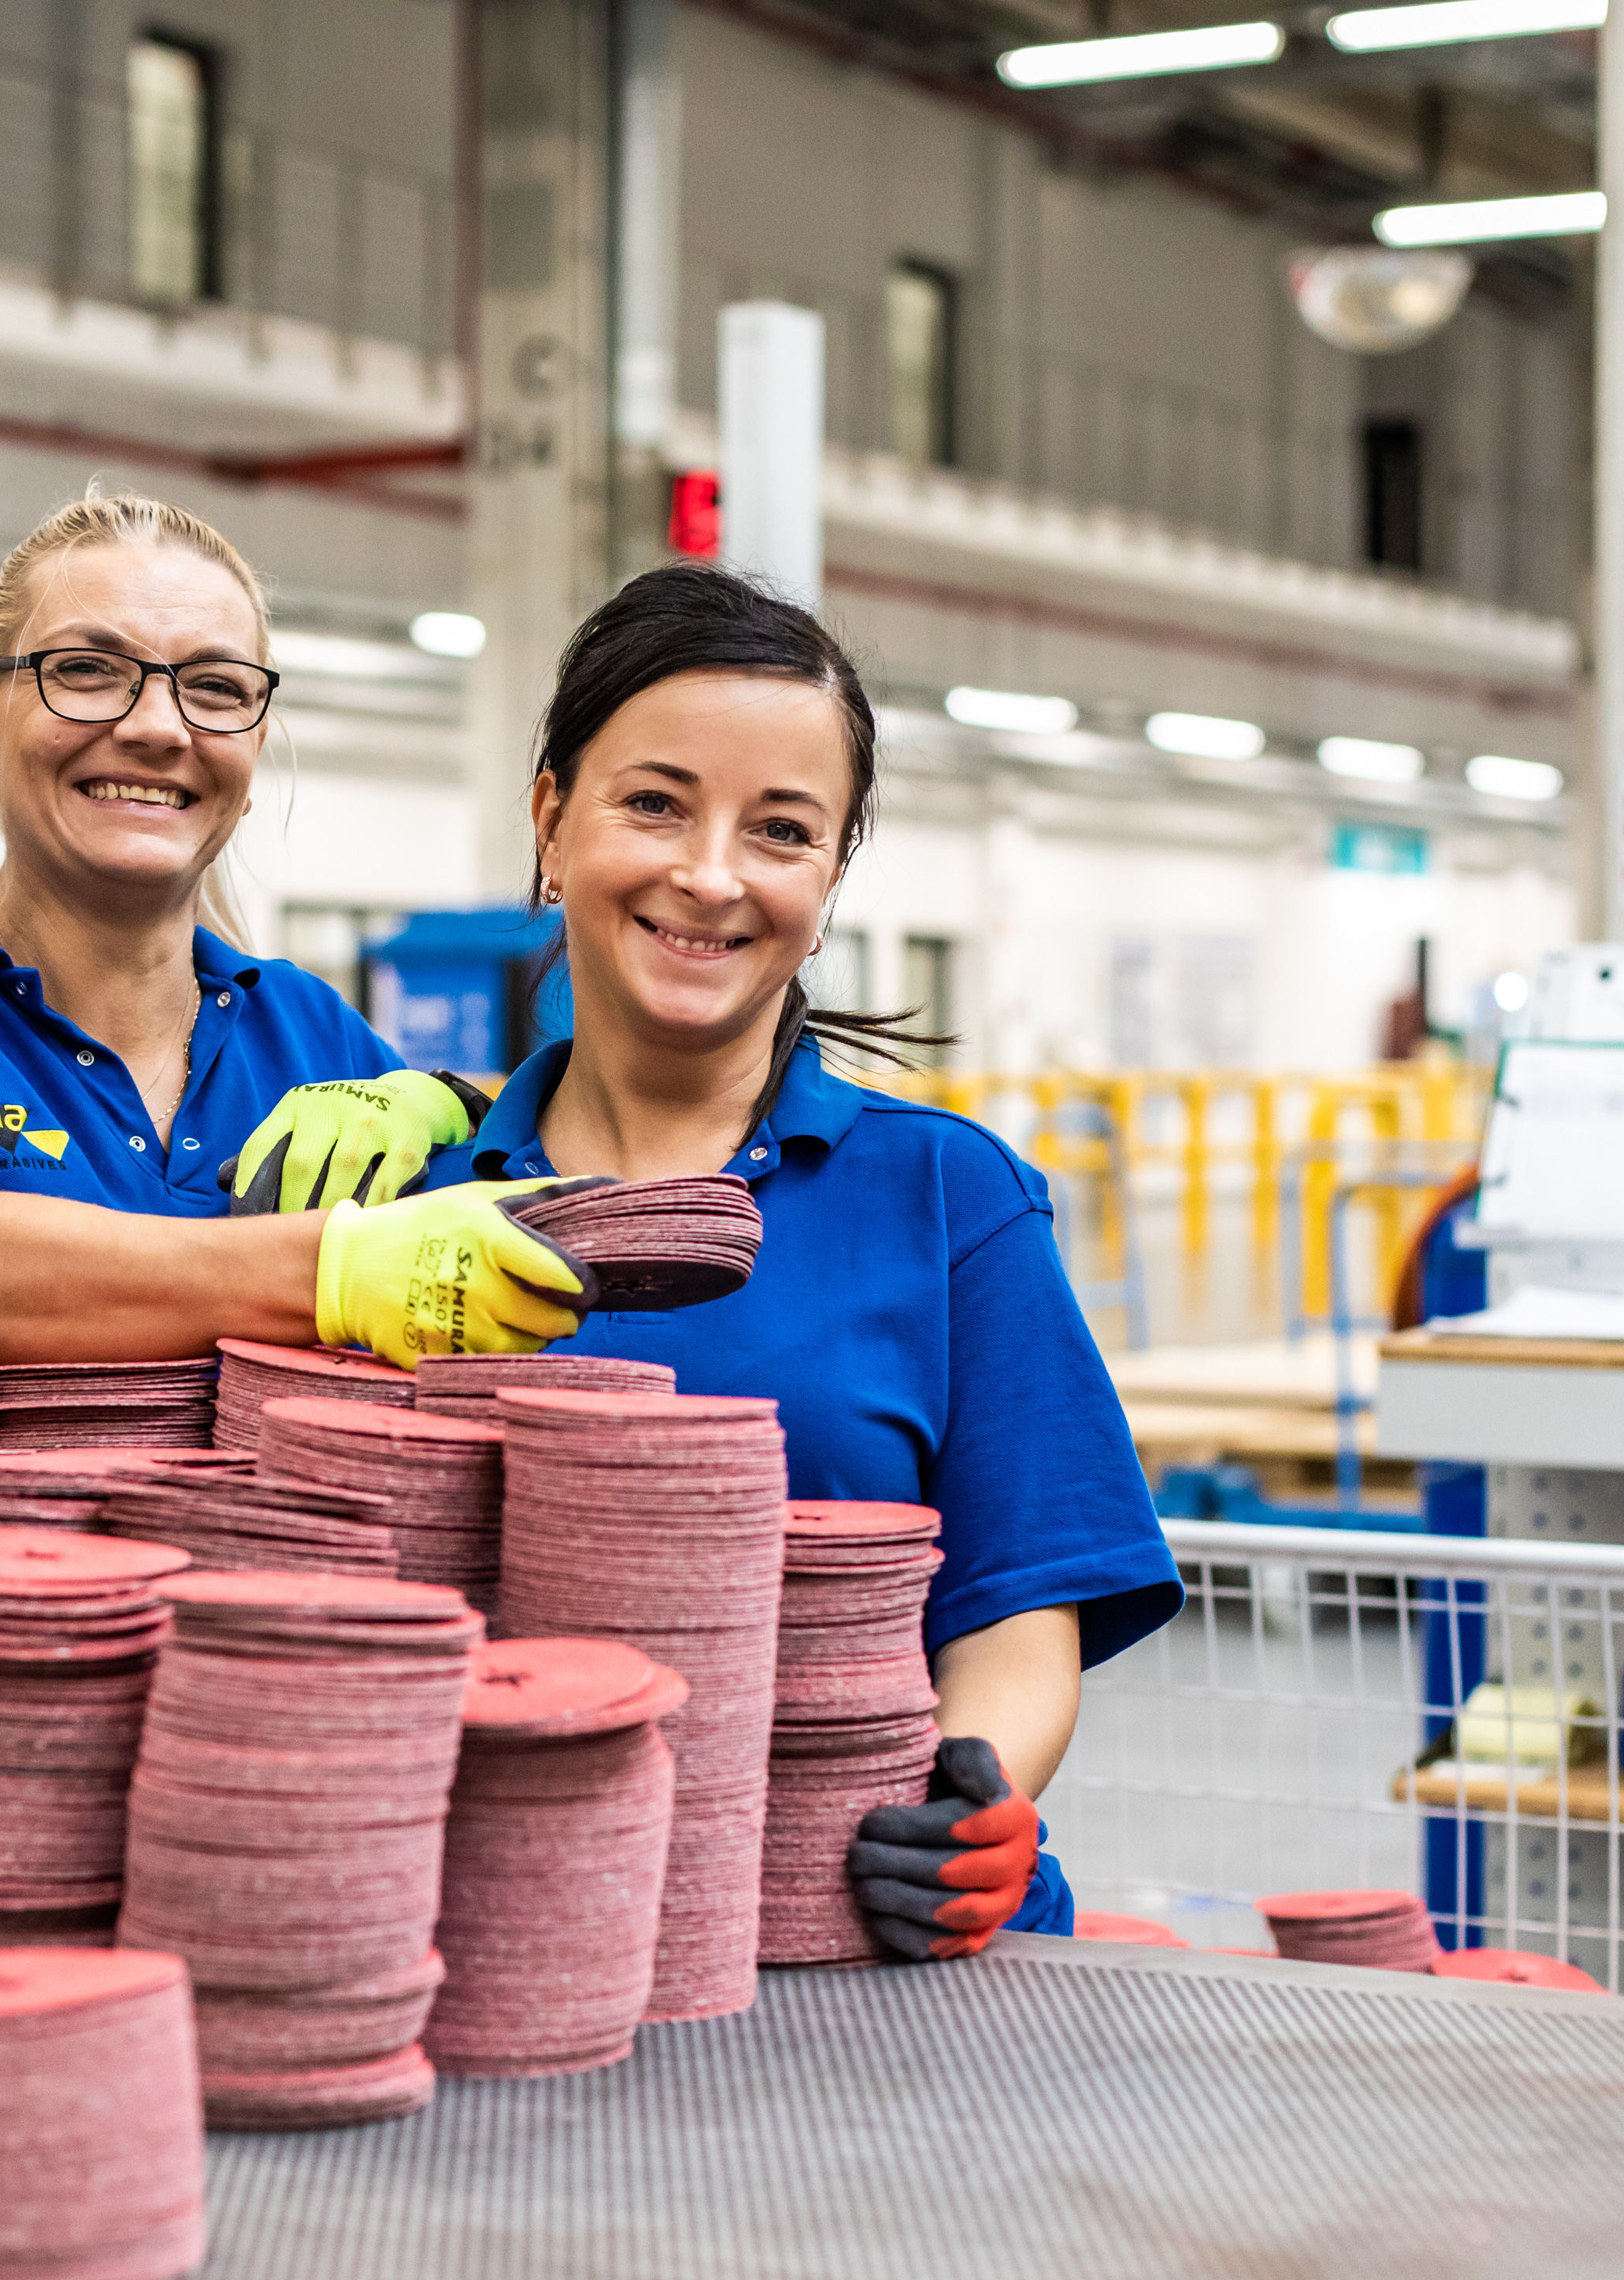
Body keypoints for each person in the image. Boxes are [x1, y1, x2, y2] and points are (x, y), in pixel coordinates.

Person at [402, 561, 1180, 1954]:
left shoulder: (949, 1198)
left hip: (860, 1931)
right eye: (655, 803)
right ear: (551, 821)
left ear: (829, 875)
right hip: (518, 1933)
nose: (711, 876)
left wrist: (981, 1804)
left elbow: (1018, 1611)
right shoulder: (414, 1203)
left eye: (781, 830)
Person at [0, 492, 584, 1370]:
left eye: (216, 689)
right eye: (85, 670)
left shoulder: (312, 1036)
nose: (154, 727)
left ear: (253, 753)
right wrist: (333, 1268)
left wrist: (451, 1105)